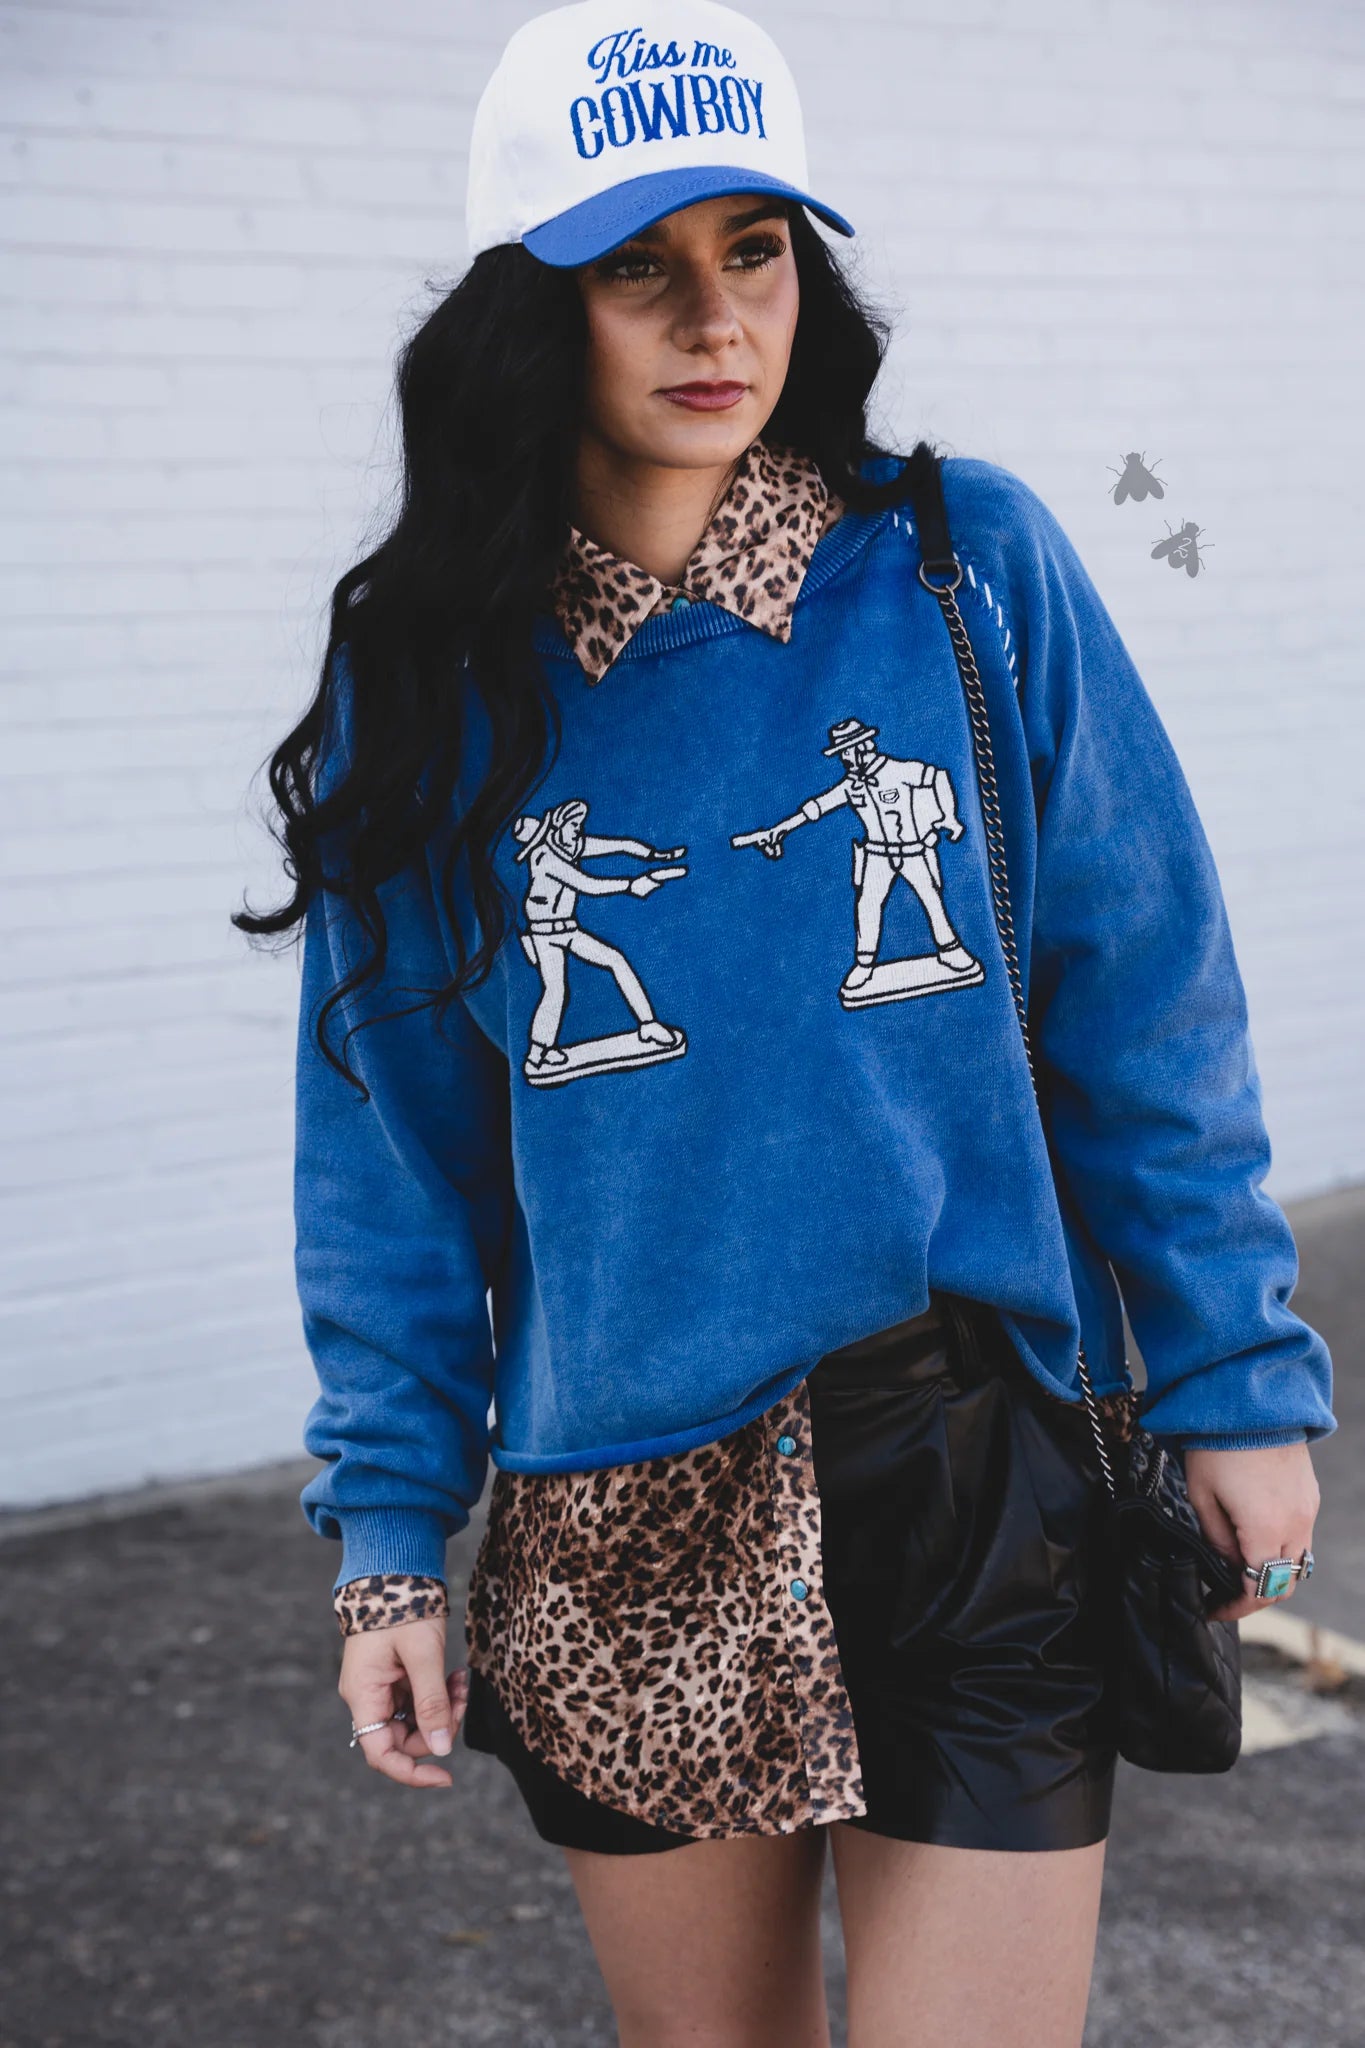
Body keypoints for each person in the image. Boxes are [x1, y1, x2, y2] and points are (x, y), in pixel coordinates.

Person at [237, 4, 1334, 2043]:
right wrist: (387, 1538)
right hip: (619, 1504)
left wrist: (1230, 1372)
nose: (714, 315)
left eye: (754, 249)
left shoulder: (960, 568)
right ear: (525, 312)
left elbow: (1140, 995)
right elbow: (391, 1162)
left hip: (971, 1462)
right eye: (637, 266)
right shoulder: (435, 679)